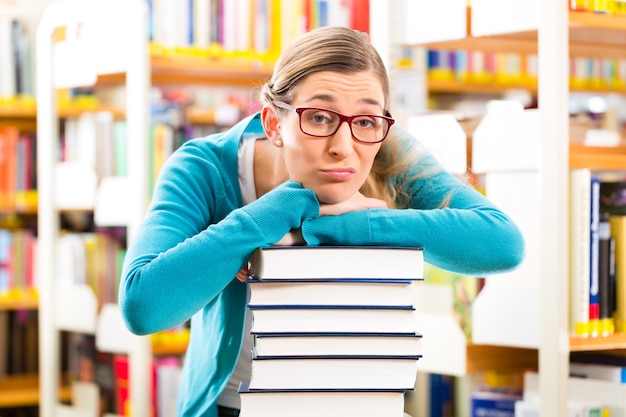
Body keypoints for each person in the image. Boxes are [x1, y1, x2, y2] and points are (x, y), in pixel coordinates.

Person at [119, 26, 525, 417]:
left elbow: (503, 244)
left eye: (365, 120)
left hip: (356, 405)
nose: (343, 147)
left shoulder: (386, 148)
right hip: (234, 407)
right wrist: (277, 211)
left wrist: (362, 225)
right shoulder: (203, 167)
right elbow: (143, 306)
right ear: (274, 123)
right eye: (318, 117)